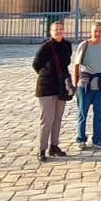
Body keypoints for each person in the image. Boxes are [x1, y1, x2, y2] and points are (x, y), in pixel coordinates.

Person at [32, 20, 71, 162]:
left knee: (58, 118)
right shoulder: (46, 47)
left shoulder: (67, 45)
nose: (59, 32)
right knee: (47, 119)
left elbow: (66, 63)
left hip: (61, 86)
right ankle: (41, 149)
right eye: (56, 30)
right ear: (51, 32)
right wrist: (47, 75)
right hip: (47, 86)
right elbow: (36, 64)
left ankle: (54, 146)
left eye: (61, 29)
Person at [72, 21, 101, 149]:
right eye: (96, 31)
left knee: (98, 114)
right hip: (85, 84)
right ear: (91, 31)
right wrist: (75, 83)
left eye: (100, 31)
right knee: (83, 113)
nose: (98, 33)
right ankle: (80, 139)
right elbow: (76, 66)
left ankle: (97, 139)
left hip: (99, 84)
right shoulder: (84, 45)